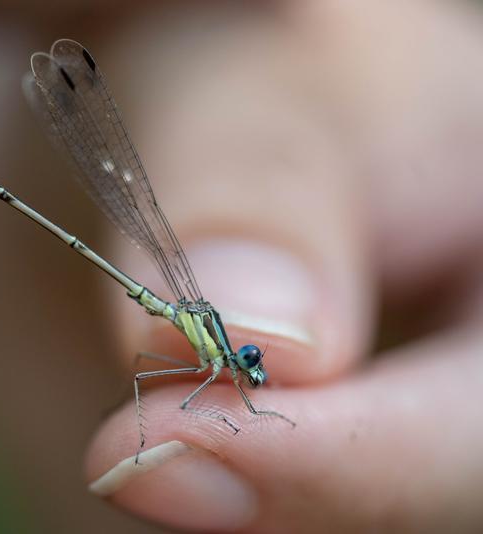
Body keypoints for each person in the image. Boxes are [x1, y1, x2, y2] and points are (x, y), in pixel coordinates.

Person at [84, 0, 483, 531]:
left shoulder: (218, 359)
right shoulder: (214, 354)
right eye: (250, 362)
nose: (253, 370)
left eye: (249, 363)